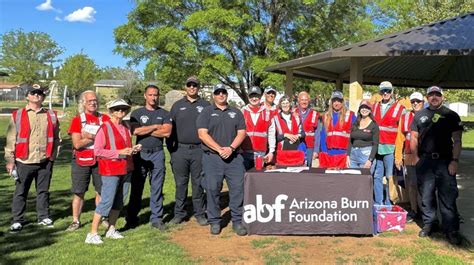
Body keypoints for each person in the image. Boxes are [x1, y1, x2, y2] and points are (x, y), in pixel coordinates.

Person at [410, 86, 463, 245]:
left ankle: (451, 229)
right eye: (431, 95)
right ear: (427, 98)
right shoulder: (419, 115)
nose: (434, 97)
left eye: (437, 95)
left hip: (445, 161)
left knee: (448, 196)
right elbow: (414, 137)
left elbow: (458, 141)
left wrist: (455, 160)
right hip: (425, 161)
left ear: (442, 97)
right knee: (426, 195)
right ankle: (430, 224)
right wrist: (415, 157)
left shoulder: (451, 115)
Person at [5, 84, 61, 233]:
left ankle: (43, 216)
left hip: (45, 160)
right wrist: (10, 160)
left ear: (43, 97)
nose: (37, 95)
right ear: (27, 96)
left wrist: (53, 155)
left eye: (40, 93)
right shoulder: (17, 115)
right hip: (24, 160)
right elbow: (11, 139)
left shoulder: (51, 115)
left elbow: (56, 137)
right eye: (33, 93)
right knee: (21, 192)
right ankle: (18, 220)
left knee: (43, 191)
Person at [196, 84, 247, 236]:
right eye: (218, 93)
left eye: (223, 92)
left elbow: (242, 133)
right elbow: (202, 134)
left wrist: (231, 148)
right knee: (212, 189)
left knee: (238, 189)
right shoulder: (207, 112)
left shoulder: (236, 112)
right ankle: (215, 221)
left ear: (227, 95)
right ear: (214, 95)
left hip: (234, 157)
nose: (221, 95)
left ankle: (237, 221)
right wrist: (219, 149)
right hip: (212, 158)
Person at [85, 99, 137, 244]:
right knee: (106, 201)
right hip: (110, 169)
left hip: (126, 167)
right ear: (111, 111)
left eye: (123, 109)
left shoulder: (126, 127)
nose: (120, 112)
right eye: (117, 109)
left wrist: (132, 149)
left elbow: (125, 147)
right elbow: (98, 151)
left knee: (120, 201)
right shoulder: (104, 128)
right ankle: (92, 233)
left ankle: (111, 229)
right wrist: (119, 152)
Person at [126, 85, 172, 231]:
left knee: (157, 187)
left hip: (157, 153)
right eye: (150, 95)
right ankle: (132, 218)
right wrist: (155, 127)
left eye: (156, 95)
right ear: (145, 96)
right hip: (140, 153)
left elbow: (167, 133)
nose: (153, 97)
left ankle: (156, 218)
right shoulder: (137, 113)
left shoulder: (165, 113)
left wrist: (145, 129)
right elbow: (134, 131)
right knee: (137, 187)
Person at [168, 76, 210, 225]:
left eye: (195, 85)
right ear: (185, 87)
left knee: (198, 183)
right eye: (189, 85)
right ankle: (179, 213)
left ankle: (200, 213)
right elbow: (169, 129)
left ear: (198, 88)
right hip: (180, 150)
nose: (192, 87)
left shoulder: (206, 105)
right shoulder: (177, 106)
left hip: (199, 150)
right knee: (180, 184)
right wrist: (172, 150)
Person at [66, 90, 110, 231]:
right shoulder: (78, 120)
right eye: (90, 101)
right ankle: (75, 220)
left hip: (100, 159)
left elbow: (109, 138)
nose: (93, 103)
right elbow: (77, 144)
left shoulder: (105, 119)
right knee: (79, 191)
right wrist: (97, 136)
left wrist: (90, 135)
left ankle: (102, 217)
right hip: (82, 159)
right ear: (83, 103)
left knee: (101, 190)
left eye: (95, 100)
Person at [372, 81, 405, 205]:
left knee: (390, 177)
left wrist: (399, 154)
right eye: (383, 91)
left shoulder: (400, 108)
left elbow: (402, 132)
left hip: (390, 148)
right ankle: (379, 202)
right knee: (377, 176)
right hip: (377, 147)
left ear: (392, 92)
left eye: (388, 91)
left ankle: (389, 203)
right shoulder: (374, 106)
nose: (385, 93)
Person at [394, 92, 424, 222]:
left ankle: (426, 213)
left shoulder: (429, 115)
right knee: (412, 185)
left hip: (425, 157)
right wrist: (398, 157)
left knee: (425, 185)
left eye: (418, 101)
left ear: (423, 102)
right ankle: (414, 210)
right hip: (410, 156)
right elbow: (399, 138)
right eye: (413, 101)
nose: (415, 103)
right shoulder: (405, 117)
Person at [241, 86, 276, 170]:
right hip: (244, 152)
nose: (254, 98)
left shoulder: (268, 113)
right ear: (248, 97)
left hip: (260, 153)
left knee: (258, 178)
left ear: (260, 97)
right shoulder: (242, 112)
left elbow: (271, 133)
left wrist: (271, 151)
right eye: (252, 96)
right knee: (244, 179)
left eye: (256, 96)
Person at [319, 90, 356, 168]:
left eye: (339, 101)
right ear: (331, 102)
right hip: (328, 154)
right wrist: (324, 152)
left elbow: (354, 136)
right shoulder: (326, 116)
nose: (336, 103)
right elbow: (323, 136)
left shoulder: (350, 115)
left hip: (343, 155)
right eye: (334, 101)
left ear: (342, 102)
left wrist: (349, 154)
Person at [273, 96, 305, 166]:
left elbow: (303, 133)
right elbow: (273, 137)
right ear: (280, 105)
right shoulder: (275, 118)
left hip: (295, 150)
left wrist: (297, 136)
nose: (285, 105)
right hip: (282, 152)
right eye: (283, 103)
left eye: (287, 103)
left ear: (290, 104)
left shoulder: (296, 117)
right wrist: (285, 135)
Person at [347, 100, 379, 169]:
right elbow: (350, 141)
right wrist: (348, 156)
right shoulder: (355, 123)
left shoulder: (374, 125)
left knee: (364, 179)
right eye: (362, 107)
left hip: (366, 156)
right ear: (359, 110)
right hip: (353, 156)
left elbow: (375, 144)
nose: (364, 109)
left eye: (367, 107)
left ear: (370, 110)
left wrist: (370, 160)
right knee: (352, 179)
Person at [293, 91, 319, 167]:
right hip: (296, 145)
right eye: (302, 100)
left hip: (309, 146)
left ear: (309, 101)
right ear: (298, 101)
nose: (304, 102)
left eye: (306, 100)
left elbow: (317, 134)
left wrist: (316, 150)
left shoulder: (314, 114)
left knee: (307, 169)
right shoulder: (293, 112)